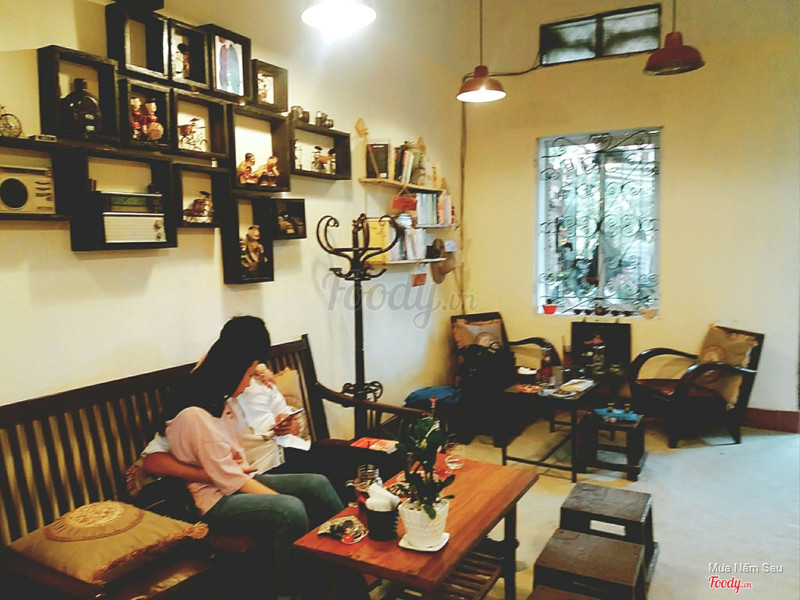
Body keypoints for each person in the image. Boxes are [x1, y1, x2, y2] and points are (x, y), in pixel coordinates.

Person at [149, 316, 365, 600]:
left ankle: (349, 563)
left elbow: (234, 463)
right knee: (291, 508)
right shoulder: (196, 412)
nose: (252, 380)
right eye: (250, 372)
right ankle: (288, 592)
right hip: (218, 495)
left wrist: (259, 370)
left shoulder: (223, 397)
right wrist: (271, 493)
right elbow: (226, 479)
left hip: (251, 471)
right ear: (235, 366)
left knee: (319, 482)